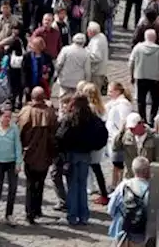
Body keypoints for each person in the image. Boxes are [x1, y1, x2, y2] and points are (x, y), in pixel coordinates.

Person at [57, 93, 105, 226]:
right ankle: (84, 216)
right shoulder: (93, 119)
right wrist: (93, 146)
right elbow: (103, 134)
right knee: (82, 185)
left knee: (72, 186)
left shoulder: (70, 119)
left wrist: (63, 151)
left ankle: (72, 216)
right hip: (85, 154)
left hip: (71, 155)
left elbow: (60, 136)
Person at [18, 86, 59, 225]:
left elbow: (20, 131)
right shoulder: (50, 113)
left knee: (30, 183)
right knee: (40, 182)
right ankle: (37, 209)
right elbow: (55, 132)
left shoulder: (26, 111)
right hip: (45, 153)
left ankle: (30, 212)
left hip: (29, 152)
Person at [108, 156, 155, 247]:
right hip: (141, 234)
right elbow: (156, 219)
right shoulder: (151, 190)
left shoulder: (123, 186)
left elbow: (111, 209)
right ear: (147, 171)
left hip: (122, 231)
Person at [0, 103, 22, 222]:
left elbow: (18, 146)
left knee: (12, 188)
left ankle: (9, 214)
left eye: (9, 117)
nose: (8, 119)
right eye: (5, 116)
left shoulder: (14, 128)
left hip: (11, 162)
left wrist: (18, 162)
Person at [128, 28, 159, 122]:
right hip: (154, 78)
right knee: (156, 100)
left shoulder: (138, 48)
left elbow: (131, 63)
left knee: (141, 100)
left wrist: (131, 76)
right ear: (155, 38)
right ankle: (152, 118)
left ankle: (143, 119)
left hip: (140, 77)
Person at [105, 83, 136, 187]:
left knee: (118, 164)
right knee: (115, 163)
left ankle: (117, 185)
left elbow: (124, 121)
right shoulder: (114, 103)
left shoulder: (123, 104)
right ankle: (115, 184)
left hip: (118, 138)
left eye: (110, 91)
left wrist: (119, 135)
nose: (108, 93)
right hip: (113, 137)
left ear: (118, 91)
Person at [54, 33, 93, 97]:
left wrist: (57, 74)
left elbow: (59, 63)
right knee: (75, 99)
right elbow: (87, 70)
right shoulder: (86, 53)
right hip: (78, 81)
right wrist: (87, 81)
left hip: (65, 79)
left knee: (63, 97)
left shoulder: (65, 50)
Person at [87, 22, 110, 91]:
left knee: (94, 92)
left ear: (91, 32)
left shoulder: (96, 42)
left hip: (96, 72)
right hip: (101, 69)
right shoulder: (102, 36)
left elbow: (96, 57)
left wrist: (86, 55)